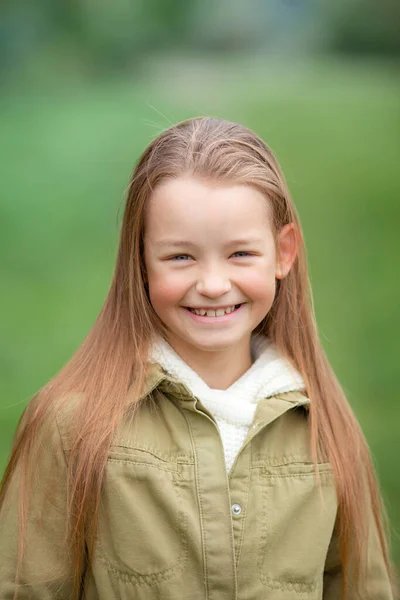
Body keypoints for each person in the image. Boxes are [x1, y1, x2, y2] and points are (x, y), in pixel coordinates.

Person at [0, 117, 396, 600]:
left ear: (283, 253)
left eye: (240, 254)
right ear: (140, 259)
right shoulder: (71, 424)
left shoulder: (326, 427)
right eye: (181, 257)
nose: (212, 284)